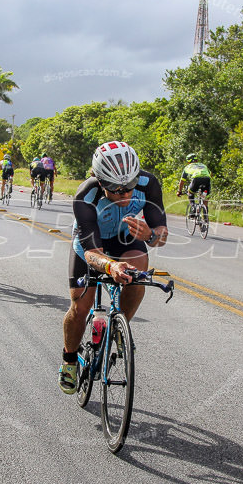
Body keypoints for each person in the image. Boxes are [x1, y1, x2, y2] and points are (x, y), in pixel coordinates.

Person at [58, 141, 169, 394]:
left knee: (137, 279)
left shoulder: (148, 183)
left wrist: (150, 235)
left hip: (125, 239)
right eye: (116, 190)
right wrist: (111, 266)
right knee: (80, 306)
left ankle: (120, 327)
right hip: (91, 245)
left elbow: (162, 235)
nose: (125, 195)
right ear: (99, 181)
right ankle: (69, 360)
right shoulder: (86, 195)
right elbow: (90, 252)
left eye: (129, 187)